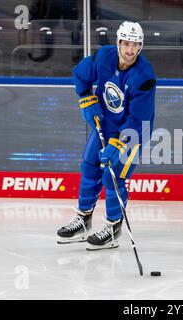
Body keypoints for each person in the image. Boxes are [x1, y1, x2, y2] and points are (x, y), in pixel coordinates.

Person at [56, 21, 156, 251]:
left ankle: (113, 228)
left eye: (136, 45)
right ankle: (83, 220)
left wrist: (118, 144)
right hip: (106, 126)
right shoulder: (104, 57)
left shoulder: (145, 76)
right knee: (89, 167)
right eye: (127, 43)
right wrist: (86, 100)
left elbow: (139, 121)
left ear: (141, 47)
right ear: (118, 42)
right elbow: (80, 75)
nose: (130, 50)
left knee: (113, 177)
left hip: (132, 134)